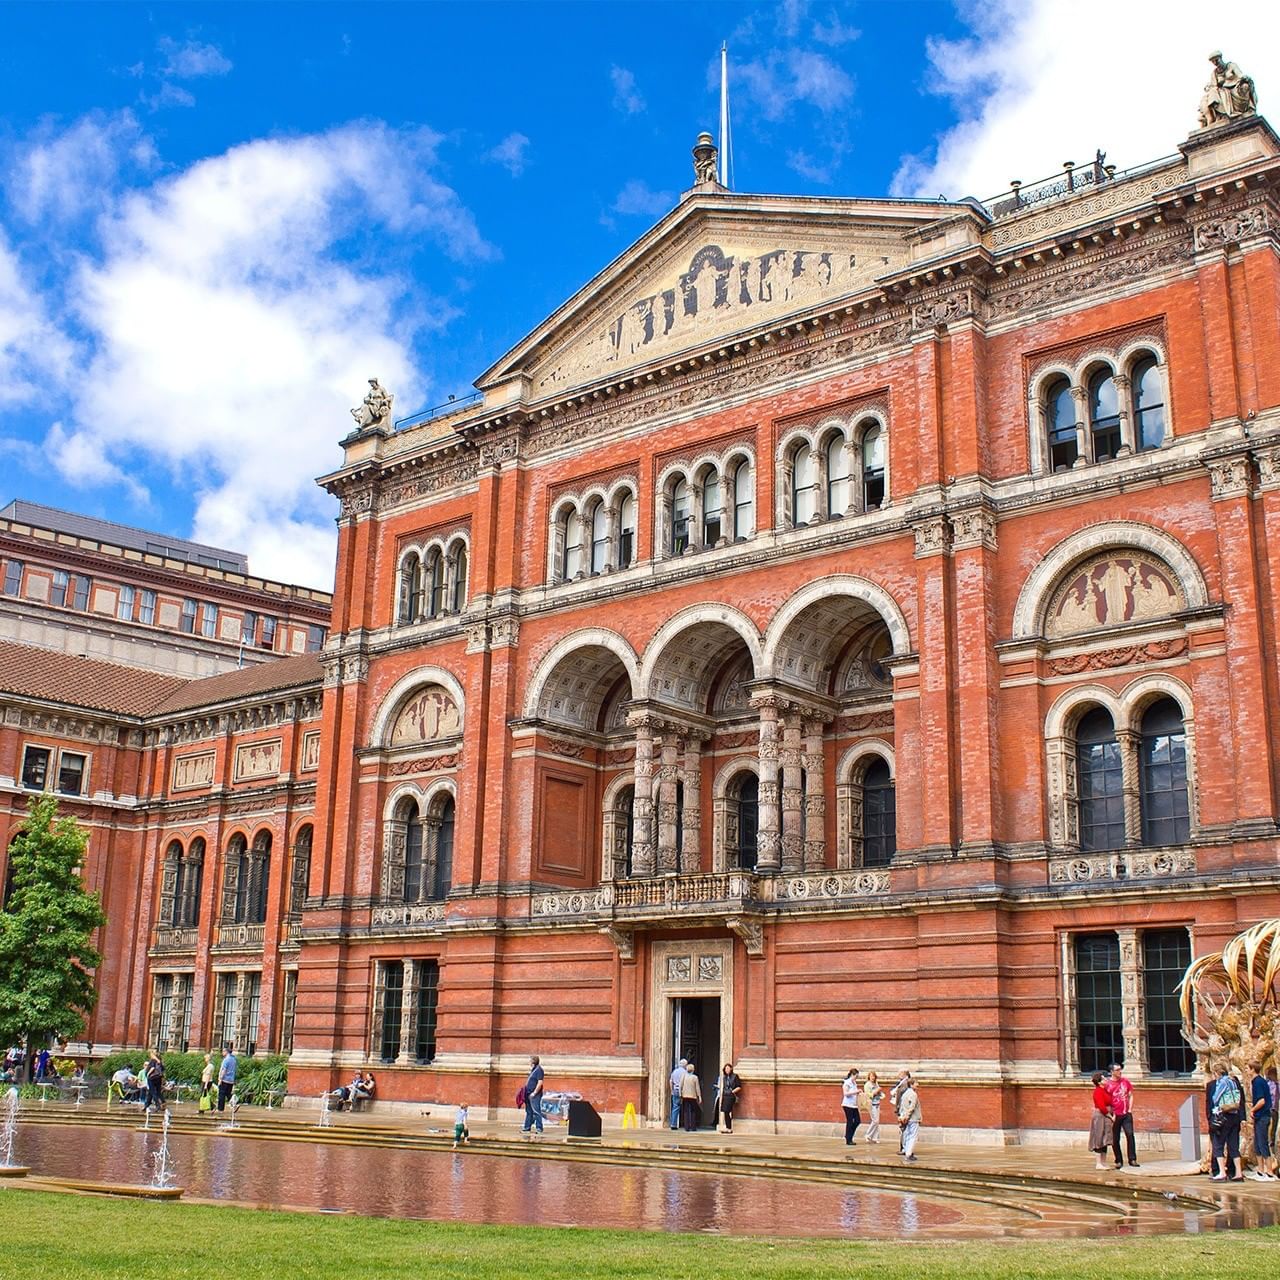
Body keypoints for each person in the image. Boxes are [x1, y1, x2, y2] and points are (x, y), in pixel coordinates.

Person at [1206, 1062, 1244, 1182]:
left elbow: (1215, 1098)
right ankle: (1238, 1173)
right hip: (1235, 1115)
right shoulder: (1234, 1081)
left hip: (1224, 1116)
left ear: (1217, 1073)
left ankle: (1222, 1172)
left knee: (1218, 1144)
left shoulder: (1222, 1082)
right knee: (1234, 1146)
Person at [1106, 1063, 1138, 1169]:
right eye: (1117, 1070)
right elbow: (1106, 1101)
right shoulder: (1108, 1085)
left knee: (1130, 1134)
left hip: (1126, 1114)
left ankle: (1132, 1159)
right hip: (1115, 1115)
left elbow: (1131, 1095)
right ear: (1112, 1072)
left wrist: (1130, 1109)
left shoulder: (1125, 1081)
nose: (1120, 1071)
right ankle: (1118, 1160)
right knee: (1115, 1139)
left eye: (1120, 1069)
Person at [1248, 1062, 1276, 1180]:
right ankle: (1260, 1170)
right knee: (1258, 1143)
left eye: (1247, 1069)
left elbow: (1262, 1101)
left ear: (1253, 1069)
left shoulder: (1259, 1082)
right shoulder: (1256, 1082)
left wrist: (1252, 1110)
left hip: (1263, 1116)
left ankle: (1269, 1171)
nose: (1247, 1071)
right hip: (1259, 1117)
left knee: (1263, 1143)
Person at [1088, 1071, 1112, 1171]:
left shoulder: (1105, 1090)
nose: (1106, 1080)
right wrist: (1110, 1116)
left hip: (1106, 1116)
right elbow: (1101, 1106)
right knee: (1099, 1137)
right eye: (1104, 1079)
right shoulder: (1098, 1091)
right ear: (1099, 1082)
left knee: (1105, 1138)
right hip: (1100, 1116)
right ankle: (1098, 1163)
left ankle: (1103, 1162)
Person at [897, 1075, 922, 1162]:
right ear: (911, 1084)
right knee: (912, 1136)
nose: (917, 1084)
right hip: (913, 1118)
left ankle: (907, 1151)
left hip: (906, 1118)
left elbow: (902, 1107)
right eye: (916, 1083)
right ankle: (909, 1153)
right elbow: (912, 1106)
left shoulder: (905, 1094)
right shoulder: (913, 1094)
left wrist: (902, 1116)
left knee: (907, 1135)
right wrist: (907, 1116)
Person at [889, 1070, 912, 1155]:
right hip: (905, 1108)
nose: (898, 1075)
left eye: (900, 1073)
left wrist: (897, 1108)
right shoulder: (904, 1083)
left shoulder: (904, 1084)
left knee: (904, 1128)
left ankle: (904, 1148)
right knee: (904, 1129)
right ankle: (905, 1147)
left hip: (903, 1108)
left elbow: (899, 1097)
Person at [522, 1055, 545, 1136]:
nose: (529, 1062)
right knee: (529, 1112)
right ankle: (526, 1128)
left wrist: (535, 1092)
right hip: (529, 1094)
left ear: (533, 1061)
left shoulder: (539, 1070)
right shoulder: (533, 1070)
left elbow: (540, 1082)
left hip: (534, 1095)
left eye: (530, 1060)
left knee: (536, 1111)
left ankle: (539, 1128)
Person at [717, 1064, 741, 1134]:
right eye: (725, 1069)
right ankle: (728, 1127)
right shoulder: (724, 1077)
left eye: (728, 1068)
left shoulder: (735, 1076)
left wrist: (732, 1091)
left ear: (731, 1069)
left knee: (728, 1110)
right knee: (725, 1111)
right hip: (725, 1096)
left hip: (731, 1096)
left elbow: (739, 1086)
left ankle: (729, 1127)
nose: (727, 1070)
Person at [841, 1067, 861, 1146]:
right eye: (856, 1076)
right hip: (847, 1105)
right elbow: (845, 1093)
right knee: (850, 1121)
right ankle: (848, 1139)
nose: (856, 1078)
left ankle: (849, 1135)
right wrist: (856, 1091)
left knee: (857, 1121)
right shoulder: (847, 1083)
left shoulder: (854, 1083)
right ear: (852, 1075)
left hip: (854, 1105)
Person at [680, 1061, 702, 1131]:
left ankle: (686, 1127)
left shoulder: (684, 1076)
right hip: (693, 1096)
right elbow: (697, 1088)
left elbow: (680, 1085)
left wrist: (680, 1094)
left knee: (686, 1111)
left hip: (685, 1095)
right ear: (693, 1070)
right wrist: (700, 1096)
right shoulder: (695, 1077)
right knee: (693, 1111)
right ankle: (693, 1126)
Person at [862, 1071, 883, 1144]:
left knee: (877, 1121)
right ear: (869, 1077)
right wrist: (875, 1092)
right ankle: (868, 1135)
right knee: (875, 1120)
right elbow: (868, 1094)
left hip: (877, 1102)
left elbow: (878, 1092)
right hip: (871, 1103)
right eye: (871, 1076)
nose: (873, 1078)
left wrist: (880, 1093)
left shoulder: (876, 1083)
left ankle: (875, 1137)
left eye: (874, 1076)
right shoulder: (867, 1085)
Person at [217, 1042, 237, 1112]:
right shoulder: (234, 1059)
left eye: (223, 1051)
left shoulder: (226, 1060)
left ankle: (220, 1109)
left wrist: (220, 1079)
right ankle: (235, 1104)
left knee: (221, 1094)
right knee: (228, 1094)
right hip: (231, 1080)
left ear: (226, 1052)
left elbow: (224, 1070)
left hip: (225, 1079)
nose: (222, 1053)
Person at [669, 1058, 687, 1131]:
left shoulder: (675, 1071)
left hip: (675, 1090)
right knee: (686, 1108)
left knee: (675, 1107)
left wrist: (672, 1090)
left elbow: (670, 1081)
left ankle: (673, 1124)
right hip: (682, 1091)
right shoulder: (685, 1072)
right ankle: (686, 1124)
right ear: (685, 1065)